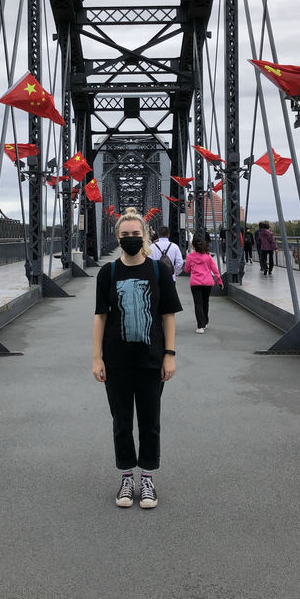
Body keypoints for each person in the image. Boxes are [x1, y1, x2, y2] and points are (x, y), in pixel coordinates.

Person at [93, 207, 182, 510]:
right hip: (116, 360)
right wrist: (97, 358)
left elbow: (168, 316)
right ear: (117, 237)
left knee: (149, 420)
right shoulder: (109, 272)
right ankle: (126, 476)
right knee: (120, 421)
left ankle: (147, 478)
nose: (130, 239)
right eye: (125, 235)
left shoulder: (160, 271)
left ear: (145, 235)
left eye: (136, 234)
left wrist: (169, 355)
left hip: (151, 359)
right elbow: (100, 317)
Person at [184, 232, 223, 333]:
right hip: (207, 283)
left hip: (195, 283)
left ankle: (200, 326)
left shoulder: (190, 257)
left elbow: (187, 270)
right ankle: (205, 322)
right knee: (205, 302)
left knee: (198, 304)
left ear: (193, 246)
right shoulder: (208, 257)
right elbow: (215, 270)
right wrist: (219, 281)